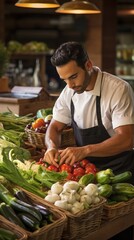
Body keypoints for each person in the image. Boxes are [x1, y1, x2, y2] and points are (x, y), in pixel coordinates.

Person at [44, 41, 134, 185]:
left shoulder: (118, 89)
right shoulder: (69, 92)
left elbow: (127, 139)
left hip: (120, 173)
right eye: (64, 80)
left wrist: (86, 150)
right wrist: (51, 146)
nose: (70, 85)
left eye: (73, 77)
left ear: (88, 65)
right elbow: (54, 127)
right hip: (86, 174)